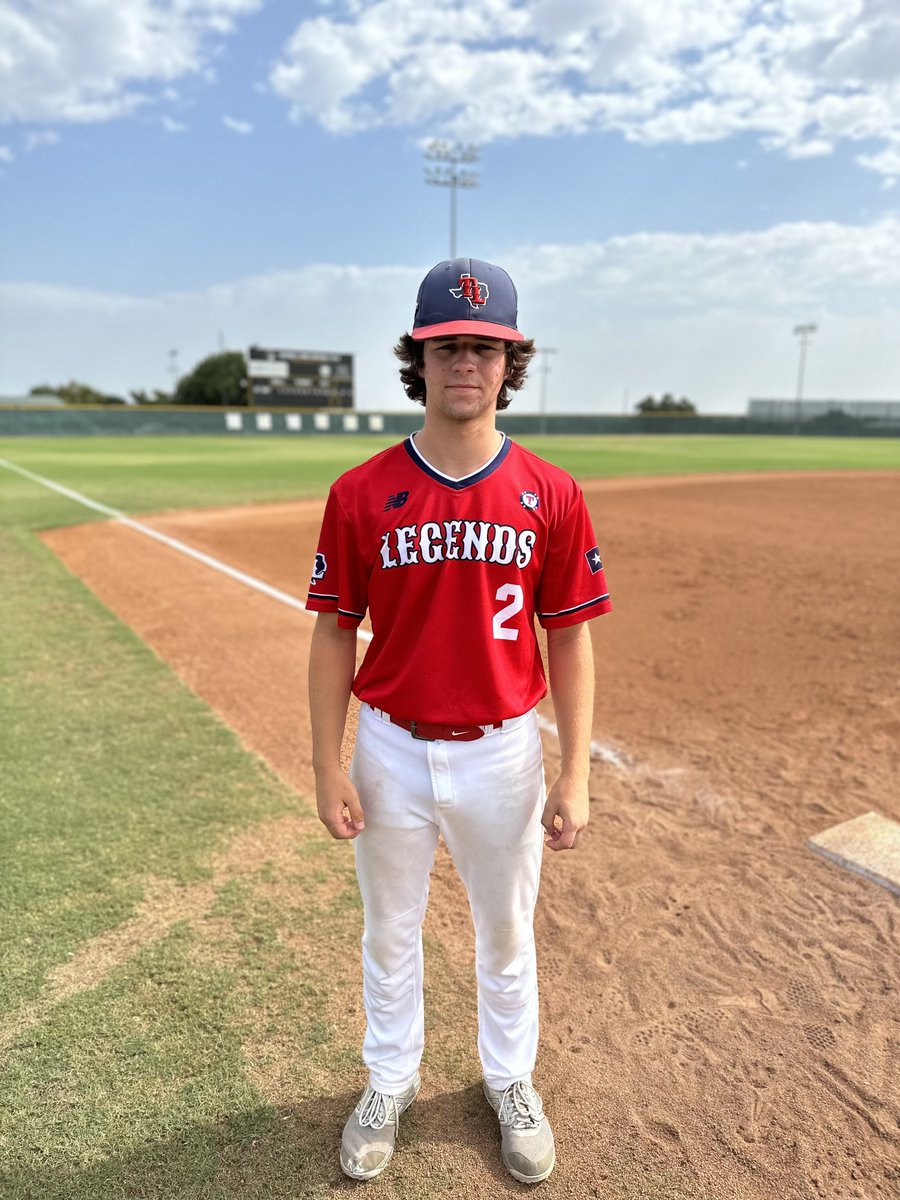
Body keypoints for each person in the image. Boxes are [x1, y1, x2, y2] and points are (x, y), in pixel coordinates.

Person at [306, 257, 612, 1184]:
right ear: (420, 358)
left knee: (506, 933)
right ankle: (388, 1080)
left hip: (504, 754)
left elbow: (571, 641)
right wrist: (328, 766)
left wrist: (575, 773)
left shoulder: (550, 492)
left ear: (509, 363)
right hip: (391, 750)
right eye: (447, 347)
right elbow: (332, 635)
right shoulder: (361, 491)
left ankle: (510, 1079)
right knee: (388, 931)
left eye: (485, 347)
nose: (465, 364)